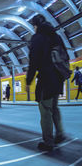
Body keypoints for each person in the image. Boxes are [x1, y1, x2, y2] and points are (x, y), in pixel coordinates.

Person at [25, 14, 67, 151]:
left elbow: (34, 61)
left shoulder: (38, 38)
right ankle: (60, 133)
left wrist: (28, 81)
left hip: (46, 80)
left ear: (36, 25)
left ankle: (48, 142)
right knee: (54, 107)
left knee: (45, 110)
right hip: (58, 79)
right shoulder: (57, 37)